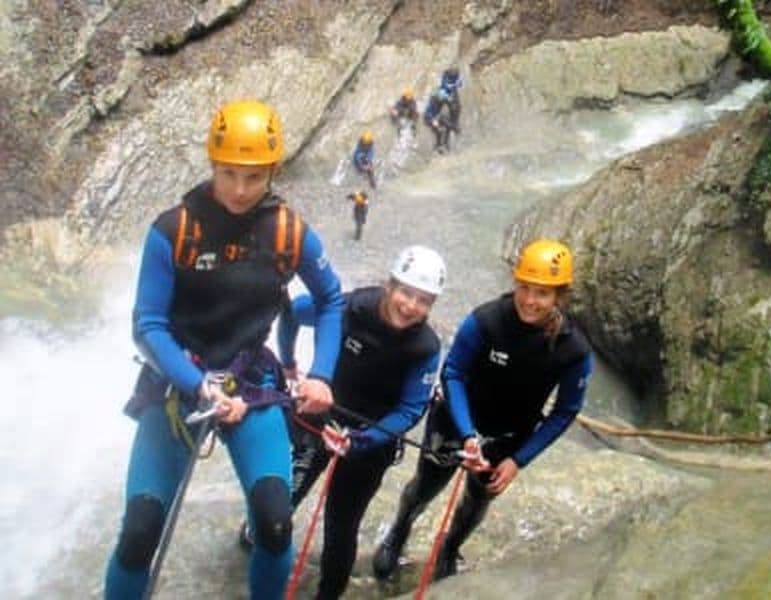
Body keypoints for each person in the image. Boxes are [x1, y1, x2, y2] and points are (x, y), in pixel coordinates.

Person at [103, 99, 344, 600]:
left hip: (249, 383)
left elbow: (330, 299)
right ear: (212, 165)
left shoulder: (287, 232)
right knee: (139, 532)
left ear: (272, 171)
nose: (239, 189)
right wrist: (199, 385)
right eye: (229, 173)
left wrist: (321, 373)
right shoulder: (175, 230)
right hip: (177, 383)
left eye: (254, 177)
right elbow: (146, 325)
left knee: (276, 524)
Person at [372, 239, 593, 582]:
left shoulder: (572, 350)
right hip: (454, 424)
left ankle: (449, 548)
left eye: (543, 293)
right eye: (524, 288)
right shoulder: (487, 321)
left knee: (477, 499)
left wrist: (518, 461)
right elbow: (454, 372)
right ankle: (398, 533)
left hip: (507, 438)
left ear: (559, 297)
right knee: (425, 486)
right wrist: (467, 434)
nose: (530, 301)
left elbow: (565, 411)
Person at [241, 245, 446, 600]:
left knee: (341, 525)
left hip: (370, 440)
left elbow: (411, 410)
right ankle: (258, 536)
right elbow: (290, 312)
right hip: (318, 419)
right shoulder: (347, 309)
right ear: (390, 285)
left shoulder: (424, 348)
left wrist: (360, 440)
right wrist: (288, 362)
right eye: (406, 293)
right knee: (284, 497)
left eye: (424, 301)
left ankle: (329, 595)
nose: (411, 306)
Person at [423, 88, 455, 154]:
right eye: (442, 98)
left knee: (449, 125)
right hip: (428, 119)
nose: (442, 100)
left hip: (437, 117)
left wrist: (452, 103)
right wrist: (433, 120)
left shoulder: (442, 100)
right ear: (438, 97)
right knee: (438, 131)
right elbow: (428, 112)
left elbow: (449, 103)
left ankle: (446, 143)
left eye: (443, 98)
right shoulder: (432, 101)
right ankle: (438, 147)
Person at [438, 66, 463, 133]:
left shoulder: (457, 74)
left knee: (458, 107)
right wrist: (453, 85)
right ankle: (450, 122)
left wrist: (457, 83)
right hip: (444, 91)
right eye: (453, 74)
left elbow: (460, 83)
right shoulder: (445, 74)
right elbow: (444, 85)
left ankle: (455, 122)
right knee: (451, 105)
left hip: (452, 90)